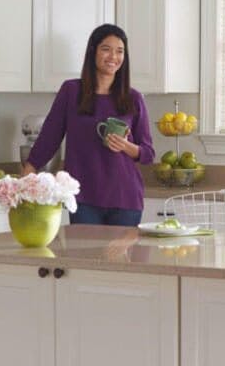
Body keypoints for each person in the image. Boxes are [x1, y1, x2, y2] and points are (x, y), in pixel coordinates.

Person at [23, 24, 155, 226]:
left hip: (125, 198)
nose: (113, 57)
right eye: (106, 49)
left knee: (120, 259)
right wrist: (29, 170)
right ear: (93, 51)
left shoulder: (133, 98)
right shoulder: (71, 91)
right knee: (84, 258)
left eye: (120, 51)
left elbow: (147, 154)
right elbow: (49, 137)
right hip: (82, 198)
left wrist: (126, 146)